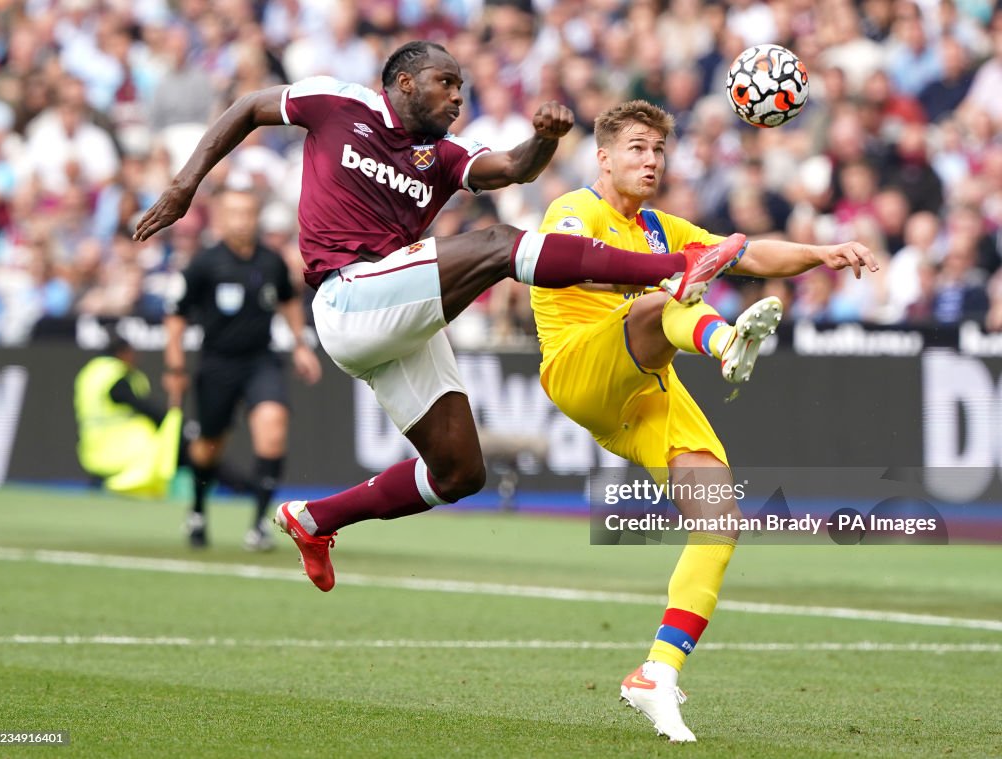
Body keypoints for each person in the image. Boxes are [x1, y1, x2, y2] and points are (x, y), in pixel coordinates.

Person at [134, 40, 750, 586]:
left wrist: (543, 138)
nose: (458, 96)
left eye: (462, 87)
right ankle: (672, 268)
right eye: (446, 83)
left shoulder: (448, 156)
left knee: (459, 472)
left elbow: (512, 168)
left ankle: (316, 518)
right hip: (346, 296)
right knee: (493, 244)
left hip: (394, 314)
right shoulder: (337, 103)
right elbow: (248, 107)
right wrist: (186, 185)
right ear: (405, 82)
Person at [531, 100, 879, 742]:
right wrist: (684, 292)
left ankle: (657, 673)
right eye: (637, 148)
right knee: (662, 300)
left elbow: (746, 255)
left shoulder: (662, 227)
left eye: (659, 150)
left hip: (649, 388)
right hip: (581, 368)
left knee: (720, 520)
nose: (651, 160)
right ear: (603, 157)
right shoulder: (575, 210)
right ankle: (725, 344)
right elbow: (575, 261)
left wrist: (822, 251)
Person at [163, 188, 322, 550]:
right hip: (217, 362)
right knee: (208, 447)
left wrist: (300, 345)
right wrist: (174, 366)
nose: (242, 220)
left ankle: (259, 527)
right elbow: (176, 317)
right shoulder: (204, 263)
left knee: (273, 427)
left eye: (248, 213)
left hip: (260, 360)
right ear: (220, 218)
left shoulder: (271, 261)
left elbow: (289, 301)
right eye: (234, 213)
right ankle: (198, 511)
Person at [74, 332, 183, 498]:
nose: (135, 358)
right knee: (172, 440)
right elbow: (140, 405)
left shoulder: (92, 372)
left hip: (89, 448)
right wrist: (170, 420)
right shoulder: (115, 375)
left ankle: (101, 482)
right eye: (132, 353)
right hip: (120, 448)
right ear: (122, 353)